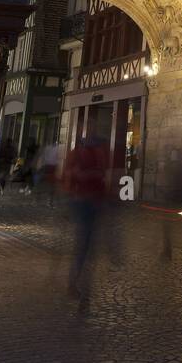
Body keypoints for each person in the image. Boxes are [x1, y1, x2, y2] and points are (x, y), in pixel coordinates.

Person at [63, 129, 111, 303]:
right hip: (86, 202)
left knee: (87, 244)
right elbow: (78, 177)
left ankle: (79, 283)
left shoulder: (84, 154)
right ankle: (77, 283)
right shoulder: (83, 155)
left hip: (86, 202)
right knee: (85, 244)